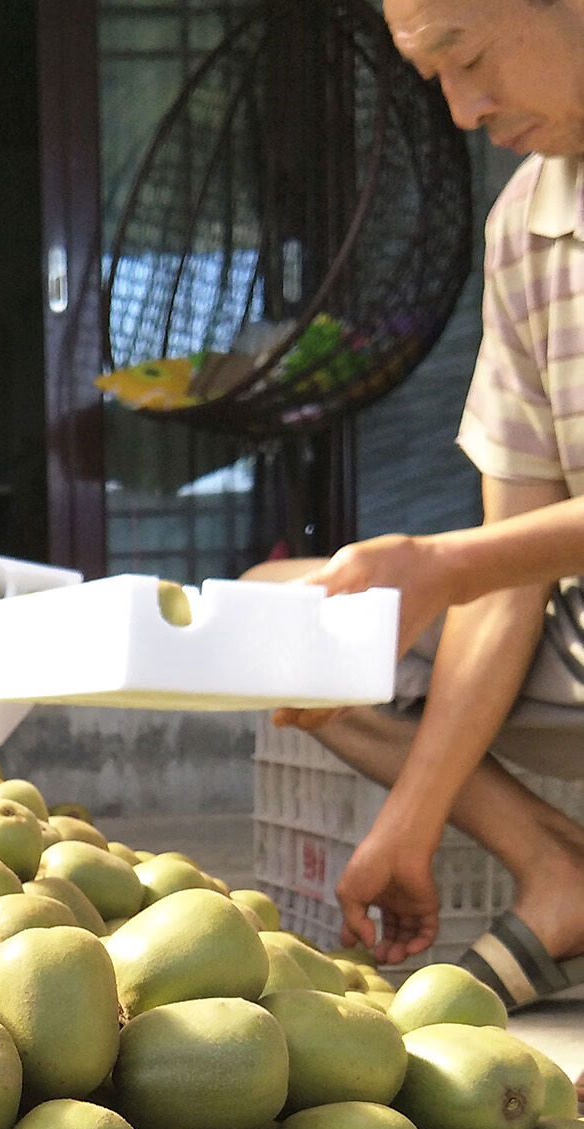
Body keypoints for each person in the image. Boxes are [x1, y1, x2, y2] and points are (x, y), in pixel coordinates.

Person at [263, 0, 584, 1006]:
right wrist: (412, 816)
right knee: (285, 612)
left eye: (471, 57)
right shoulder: (523, 232)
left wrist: (447, 565)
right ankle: (560, 874)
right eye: (434, 73)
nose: (460, 107)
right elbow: (506, 571)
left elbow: (477, 567)